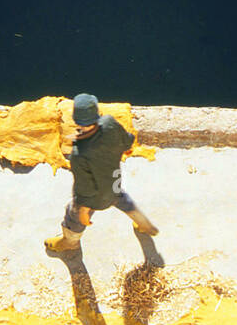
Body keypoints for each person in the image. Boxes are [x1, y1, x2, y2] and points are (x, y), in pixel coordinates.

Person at [45, 93, 159, 253]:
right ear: (97, 114)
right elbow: (127, 141)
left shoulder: (78, 155)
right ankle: (145, 226)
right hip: (114, 184)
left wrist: (83, 211)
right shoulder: (110, 123)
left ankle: (69, 243)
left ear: (76, 120)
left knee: (73, 216)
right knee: (125, 203)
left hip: (94, 199)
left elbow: (84, 189)